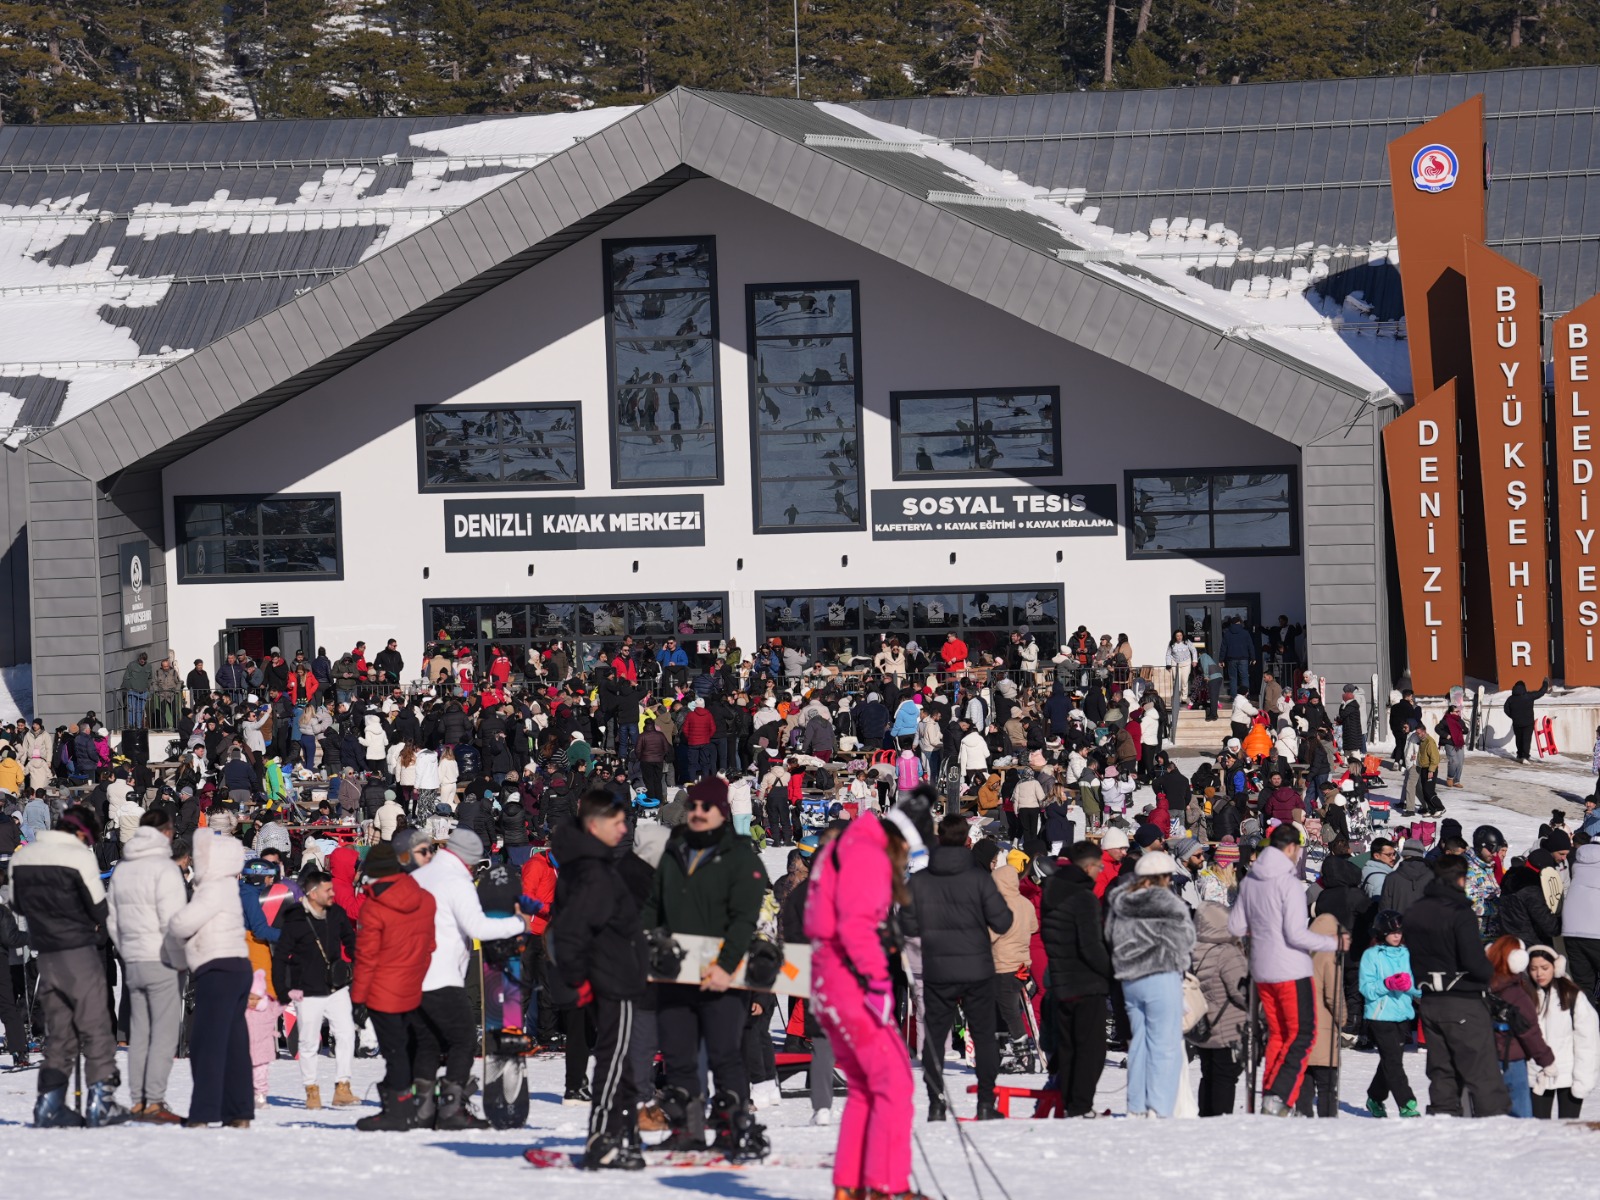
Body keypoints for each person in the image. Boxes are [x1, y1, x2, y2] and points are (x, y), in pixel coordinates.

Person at [643, 775, 770, 1156]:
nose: (697, 813)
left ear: (723, 813)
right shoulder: (675, 849)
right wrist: (646, 941)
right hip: (676, 971)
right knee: (679, 1056)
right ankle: (687, 1129)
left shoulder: (741, 856)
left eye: (706, 807)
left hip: (722, 974)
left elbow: (745, 918)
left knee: (724, 1055)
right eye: (694, 806)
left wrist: (726, 966)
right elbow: (653, 904)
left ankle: (732, 1129)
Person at [806, 797, 924, 1199]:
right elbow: (857, 925)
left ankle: (851, 1183)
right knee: (894, 1083)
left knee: (865, 1086)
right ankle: (884, 1184)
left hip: (829, 983)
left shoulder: (844, 849)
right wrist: (877, 983)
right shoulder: (867, 854)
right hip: (852, 984)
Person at [547, 789, 650, 1170]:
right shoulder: (592, 870)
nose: (625, 828)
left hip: (614, 976)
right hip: (612, 980)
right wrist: (583, 979)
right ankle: (603, 1136)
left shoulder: (590, 864)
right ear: (595, 825)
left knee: (622, 1063)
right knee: (614, 1061)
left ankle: (622, 1134)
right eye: (618, 822)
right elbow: (571, 931)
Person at [10, 805, 129, 1126]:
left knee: (60, 1030)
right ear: (80, 833)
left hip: (45, 954)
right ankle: (101, 1100)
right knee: (95, 1025)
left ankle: (49, 1102)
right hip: (78, 951)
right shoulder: (78, 857)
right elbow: (99, 910)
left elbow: (17, 904)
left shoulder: (22, 858)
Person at [413, 826, 530, 1128]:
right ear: (469, 861)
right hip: (443, 974)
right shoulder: (456, 881)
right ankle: (451, 1110)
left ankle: (422, 1109)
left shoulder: (419, 875)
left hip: (412, 974)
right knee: (463, 1040)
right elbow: (479, 927)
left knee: (427, 1042)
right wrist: (518, 923)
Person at [1228, 823, 1343, 1116]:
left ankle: (1270, 1093)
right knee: (1304, 1033)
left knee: (1279, 1034)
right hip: (1291, 968)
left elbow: (1236, 926)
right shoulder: (1289, 882)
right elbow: (1296, 934)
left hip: (1262, 970)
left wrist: (1263, 931)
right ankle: (1279, 1097)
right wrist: (1333, 943)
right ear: (1291, 848)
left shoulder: (1251, 879)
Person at [908, 812, 1014, 1121]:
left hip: (938, 966)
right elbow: (1003, 920)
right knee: (983, 1036)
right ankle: (984, 1102)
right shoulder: (978, 878)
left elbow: (906, 923)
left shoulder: (922, 880)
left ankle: (936, 1102)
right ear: (967, 840)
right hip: (976, 967)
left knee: (935, 1037)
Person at [1405, 855, 1511, 1116]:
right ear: (1461, 879)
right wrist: (1492, 973)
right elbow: (1474, 961)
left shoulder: (1415, 910)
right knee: (1481, 1070)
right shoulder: (1458, 911)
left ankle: (1442, 1121)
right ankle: (1494, 1125)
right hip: (1462, 998)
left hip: (1429, 999)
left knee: (1441, 1070)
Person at [167, 828, 255, 1127]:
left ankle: (204, 1112)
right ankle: (239, 1111)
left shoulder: (213, 887)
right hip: (236, 967)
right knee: (233, 1045)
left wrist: (172, 920)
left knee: (207, 1044)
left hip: (217, 969)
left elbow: (185, 922)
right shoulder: (228, 885)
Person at [106, 820, 188, 1122]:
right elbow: (173, 920)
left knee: (139, 1034)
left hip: (134, 959)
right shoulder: (164, 868)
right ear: (166, 833)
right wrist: (180, 959)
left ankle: (139, 1100)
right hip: (162, 959)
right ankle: (154, 1101)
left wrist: (126, 950)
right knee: (164, 1034)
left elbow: (112, 918)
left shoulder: (123, 868)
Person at [352, 841, 438, 1130]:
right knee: (408, 1046)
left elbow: (366, 959)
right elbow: (431, 945)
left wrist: (358, 999)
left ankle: (397, 1112)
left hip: (382, 989)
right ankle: (407, 1105)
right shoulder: (426, 899)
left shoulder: (373, 908)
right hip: (416, 982)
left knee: (394, 1052)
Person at [1104, 850, 1195, 1118]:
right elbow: (1187, 941)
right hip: (1162, 975)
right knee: (1165, 1045)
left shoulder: (1120, 901)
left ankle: (1136, 1106)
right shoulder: (1170, 903)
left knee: (1140, 1043)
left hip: (1130, 980)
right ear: (1163, 877)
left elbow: (1109, 935)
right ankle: (1160, 1107)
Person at [275, 867, 360, 1110]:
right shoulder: (295, 919)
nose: (333, 893)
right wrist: (281, 989)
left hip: (337, 987)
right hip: (307, 990)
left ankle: (343, 1086)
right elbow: (281, 956)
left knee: (345, 1034)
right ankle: (311, 1089)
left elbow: (350, 942)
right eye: (328, 890)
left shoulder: (337, 914)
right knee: (309, 1042)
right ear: (313, 893)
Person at [1040, 840, 1113, 1117]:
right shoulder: (1083, 898)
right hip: (1086, 981)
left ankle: (1070, 1102)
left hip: (1061, 978)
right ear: (1089, 867)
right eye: (1099, 866)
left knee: (1069, 1046)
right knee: (1091, 1051)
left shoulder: (1052, 892)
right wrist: (1111, 971)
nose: (1100, 871)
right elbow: (1091, 946)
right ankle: (1081, 1105)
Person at [1526, 944, 1600, 1120]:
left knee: (1568, 1132)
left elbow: (1587, 1040)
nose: (1539, 974)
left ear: (1556, 967)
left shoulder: (1572, 995)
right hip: (1537, 1075)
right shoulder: (1526, 996)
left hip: (1568, 1076)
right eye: (1534, 969)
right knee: (1539, 1133)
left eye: (1545, 968)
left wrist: (1583, 1079)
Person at [1359, 909, 1421, 1117]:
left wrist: (1410, 985)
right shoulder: (1371, 956)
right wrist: (1387, 983)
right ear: (1382, 933)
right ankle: (1407, 1104)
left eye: (1400, 932)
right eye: (1392, 932)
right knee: (1393, 1061)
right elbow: (1366, 989)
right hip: (1379, 1016)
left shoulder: (1408, 954)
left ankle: (1374, 1098)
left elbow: (1418, 987)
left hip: (1402, 1015)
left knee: (1390, 1060)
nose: (1397, 936)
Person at [1485, 936, 1555, 1118]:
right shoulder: (1516, 995)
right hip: (1512, 1061)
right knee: (1521, 1116)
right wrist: (1546, 1060)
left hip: (1483, 1061)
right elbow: (1530, 1031)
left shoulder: (1484, 988)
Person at [1190, 901, 1249, 1116]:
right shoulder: (1227, 953)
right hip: (1228, 1028)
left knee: (1208, 1075)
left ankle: (1206, 1116)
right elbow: (1242, 992)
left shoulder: (1194, 949)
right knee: (1225, 1077)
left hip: (1203, 1025)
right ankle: (1219, 1121)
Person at [1561, 839, 1600, 1001]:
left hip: (1571, 927)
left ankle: (1584, 1022)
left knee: (1583, 984)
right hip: (1596, 929)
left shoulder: (1577, 863)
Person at [1381, 838, 1433, 916]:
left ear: (1404, 855)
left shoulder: (1391, 878)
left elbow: (1384, 910)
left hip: (1399, 926)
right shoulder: (1434, 876)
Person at [1503, 678, 1551, 763]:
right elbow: (1541, 692)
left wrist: (1513, 716)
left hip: (1517, 723)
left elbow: (1506, 709)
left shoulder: (1511, 699)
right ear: (1524, 687)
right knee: (1526, 740)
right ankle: (1525, 757)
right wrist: (1545, 683)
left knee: (1519, 739)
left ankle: (1519, 755)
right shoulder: (1529, 696)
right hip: (1528, 723)